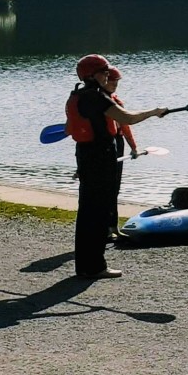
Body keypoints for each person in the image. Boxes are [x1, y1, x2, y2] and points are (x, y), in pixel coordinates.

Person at [67, 54, 167, 279]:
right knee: (99, 213)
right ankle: (95, 267)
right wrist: (154, 112)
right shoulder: (96, 97)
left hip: (85, 156)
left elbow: (70, 128)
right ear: (92, 75)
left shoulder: (77, 95)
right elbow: (127, 118)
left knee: (88, 212)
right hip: (100, 157)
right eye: (104, 72)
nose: (107, 75)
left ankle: (85, 266)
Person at [104, 66, 140, 238]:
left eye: (116, 82)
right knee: (105, 189)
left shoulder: (116, 102)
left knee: (114, 188)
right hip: (103, 145)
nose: (115, 84)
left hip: (117, 145)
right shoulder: (98, 101)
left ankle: (113, 228)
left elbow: (125, 126)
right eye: (112, 81)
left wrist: (133, 147)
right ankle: (104, 228)